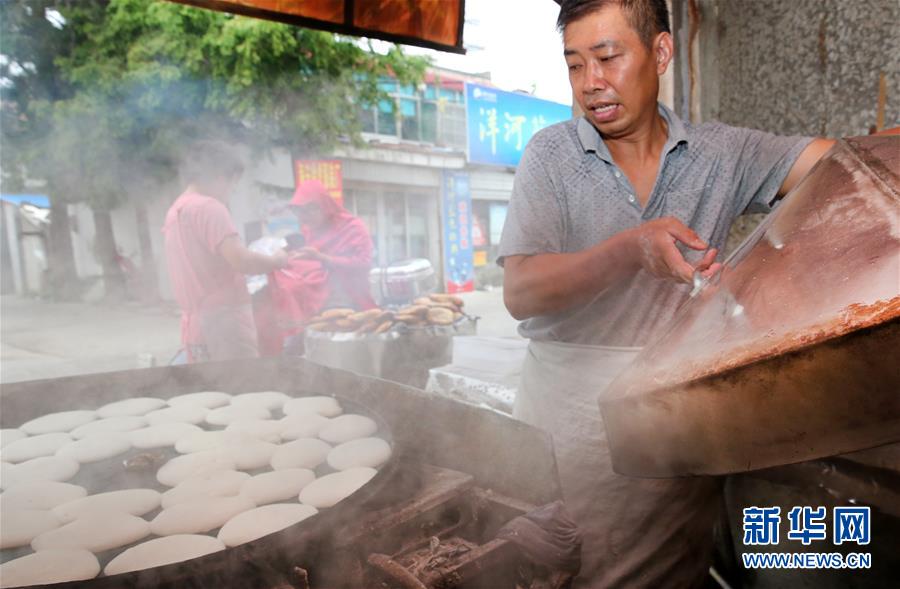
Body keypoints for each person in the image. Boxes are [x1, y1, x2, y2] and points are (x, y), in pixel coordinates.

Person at [497, 1, 836, 586]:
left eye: (607, 58)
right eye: (574, 65)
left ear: (660, 52)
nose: (590, 84)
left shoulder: (719, 153)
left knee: (672, 570)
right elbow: (521, 291)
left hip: (676, 425)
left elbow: (834, 165)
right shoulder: (551, 155)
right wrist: (631, 250)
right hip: (568, 436)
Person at [163, 141, 290, 363]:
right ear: (221, 176)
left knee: (212, 387)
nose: (230, 192)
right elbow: (241, 260)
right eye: (233, 184)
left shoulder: (176, 211)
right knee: (242, 388)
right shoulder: (209, 208)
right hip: (224, 323)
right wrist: (276, 260)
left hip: (198, 323)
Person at [287, 179, 376, 312]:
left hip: (353, 299)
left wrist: (322, 258)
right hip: (321, 301)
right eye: (300, 213)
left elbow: (364, 263)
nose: (304, 219)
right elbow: (315, 264)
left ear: (323, 206)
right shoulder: (309, 229)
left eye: (308, 212)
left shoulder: (352, 227)